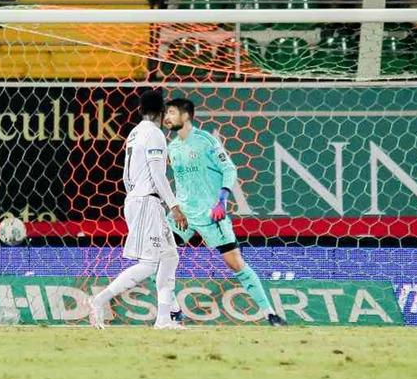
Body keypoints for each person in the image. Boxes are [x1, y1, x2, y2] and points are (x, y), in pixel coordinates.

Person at [163, 98, 285, 326]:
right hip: (184, 216)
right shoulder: (172, 147)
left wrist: (222, 200)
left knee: (235, 263)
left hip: (211, 215)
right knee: (158, 257)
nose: (167, 118)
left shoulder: (205, 141)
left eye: (171, 113)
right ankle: (173, 311)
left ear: (186, 116)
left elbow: (229, 168)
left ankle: (270, 313)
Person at [89, 90, 182, 329]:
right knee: (149, 264)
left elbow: (126, 173)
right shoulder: (155, 134)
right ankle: (100, 300)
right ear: (161, 112)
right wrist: (174, 205)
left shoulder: (134, 132)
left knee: (170, 256)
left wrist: (134, 194)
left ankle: (163, 319)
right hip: (146, 203)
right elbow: (157, 174)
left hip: (141, 200)